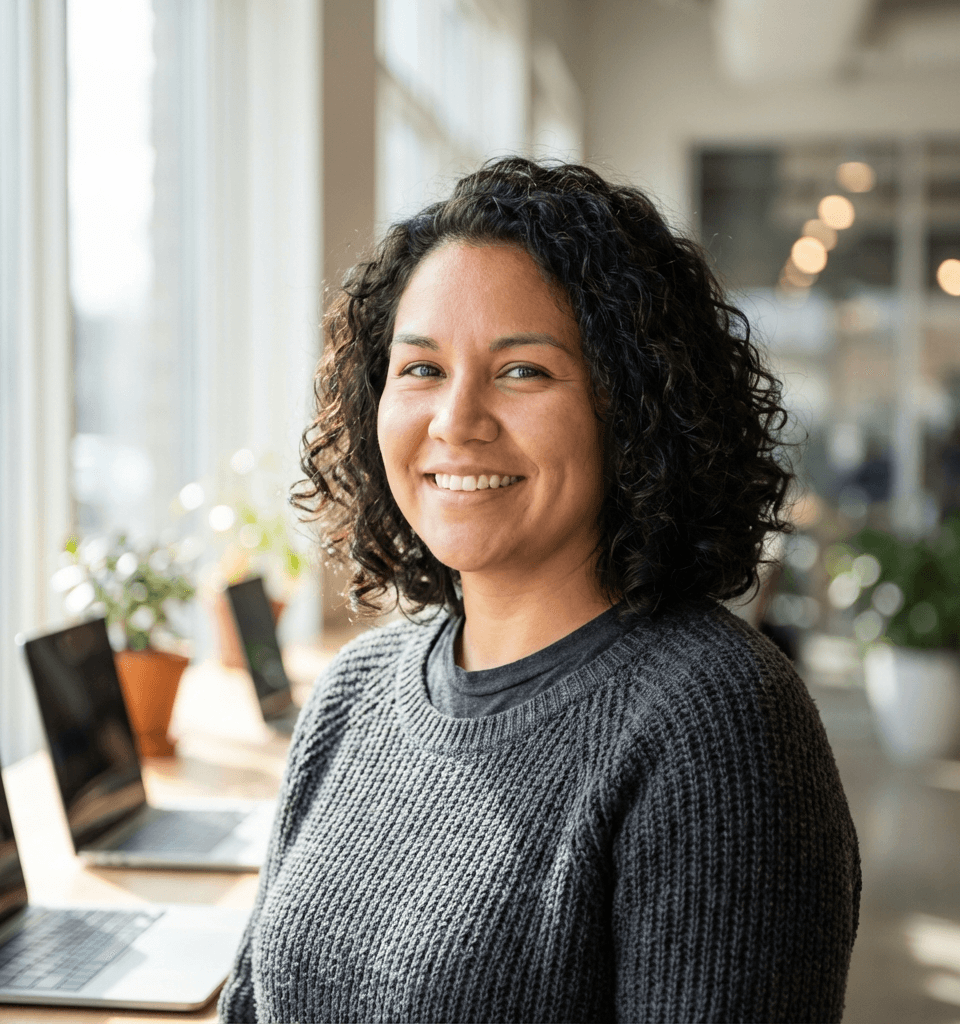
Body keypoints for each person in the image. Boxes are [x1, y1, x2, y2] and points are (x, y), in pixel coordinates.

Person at [218, 158, 860, 1023]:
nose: (456, 421)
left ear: (633, 406)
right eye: (421, 369)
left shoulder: (717, 724)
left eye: (522, 371)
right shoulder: (351, 695)